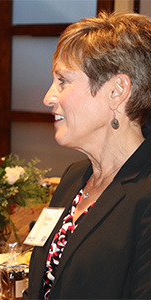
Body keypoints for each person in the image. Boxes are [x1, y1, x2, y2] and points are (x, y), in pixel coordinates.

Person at [26, 11, 151, 299]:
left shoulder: (145, 192)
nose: (48, 97)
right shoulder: (74, 177)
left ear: (117, 90)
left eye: (63, 81)